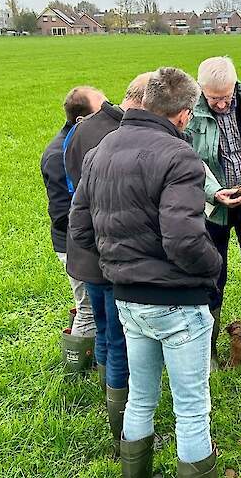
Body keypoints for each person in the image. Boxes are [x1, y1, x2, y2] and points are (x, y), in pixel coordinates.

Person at [70, 67, 222, 478]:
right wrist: (215, 268)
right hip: (178, 302)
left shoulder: (98, 151)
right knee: (192, 408)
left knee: (141, 396)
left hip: (127, 299)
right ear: (183, 114)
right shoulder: (180, 156)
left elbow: (80, 229)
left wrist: (120, 263)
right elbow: (184, 242)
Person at [64, 74, 148, 455]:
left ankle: (106, 395)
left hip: (87, 253)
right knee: (119, 340)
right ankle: (121, 430)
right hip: (112, 255)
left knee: (101, 328)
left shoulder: (78, 133)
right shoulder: (120, 137)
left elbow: (75, 196)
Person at [188, 56, 241, 370]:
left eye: (226, 97)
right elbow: (187, 158)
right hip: (213, 207)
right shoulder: (190, 112)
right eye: (213, 99)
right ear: (201, 91)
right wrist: (213, 191)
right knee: (213, 275)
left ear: (235, 86)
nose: (222, 105)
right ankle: (209, 349)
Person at [44, 86, 103, 379]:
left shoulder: (75, 142)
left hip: (78, 240)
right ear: (83, 119)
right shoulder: (61, 152)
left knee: (90, 304)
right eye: (101, 108)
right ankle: (76, 372)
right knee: (88, 307)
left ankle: (90, 363)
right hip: (72, 243)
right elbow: (62, 213)